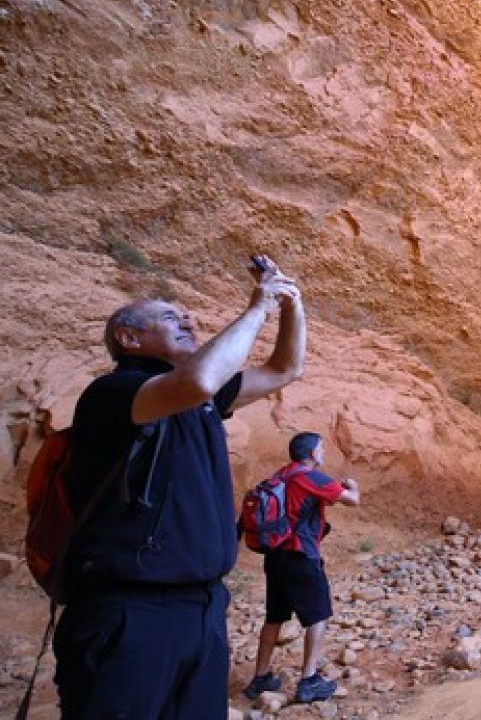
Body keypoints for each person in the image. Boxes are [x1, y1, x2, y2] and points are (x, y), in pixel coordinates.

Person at [55, 256, 305, 720]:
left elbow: (285, 369)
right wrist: (257, 310)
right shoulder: (114, 393)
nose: (188, 321)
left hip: (202, 607)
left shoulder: (199, 401)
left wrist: (291, 300)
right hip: (131, 611)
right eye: (171, 318)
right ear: (129, 338)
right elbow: (199, 379)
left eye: (188, 316)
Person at [244, 432, 360, 704]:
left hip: (274, 557)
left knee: (274, 617)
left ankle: (260, 678)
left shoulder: (281, 476)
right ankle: (309, 681)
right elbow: (352, 500)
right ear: (311, 454)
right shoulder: (312, 477)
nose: (323, 454)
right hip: (300, 556)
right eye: (321, 449)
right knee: (318, 615)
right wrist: (353, 486)